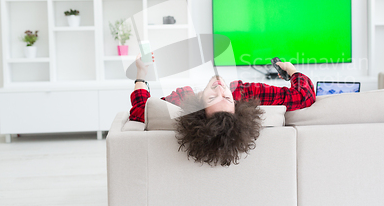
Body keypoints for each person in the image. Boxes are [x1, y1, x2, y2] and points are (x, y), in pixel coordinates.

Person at [129, 54, 316, 166]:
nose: (220, 88)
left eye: (212, 98)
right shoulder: (244, 93)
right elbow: (303, 96)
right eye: (227, 98)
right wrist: (291, 70)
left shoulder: (182, 100)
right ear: (237, 105)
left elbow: (141, 111)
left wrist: (141, 74)